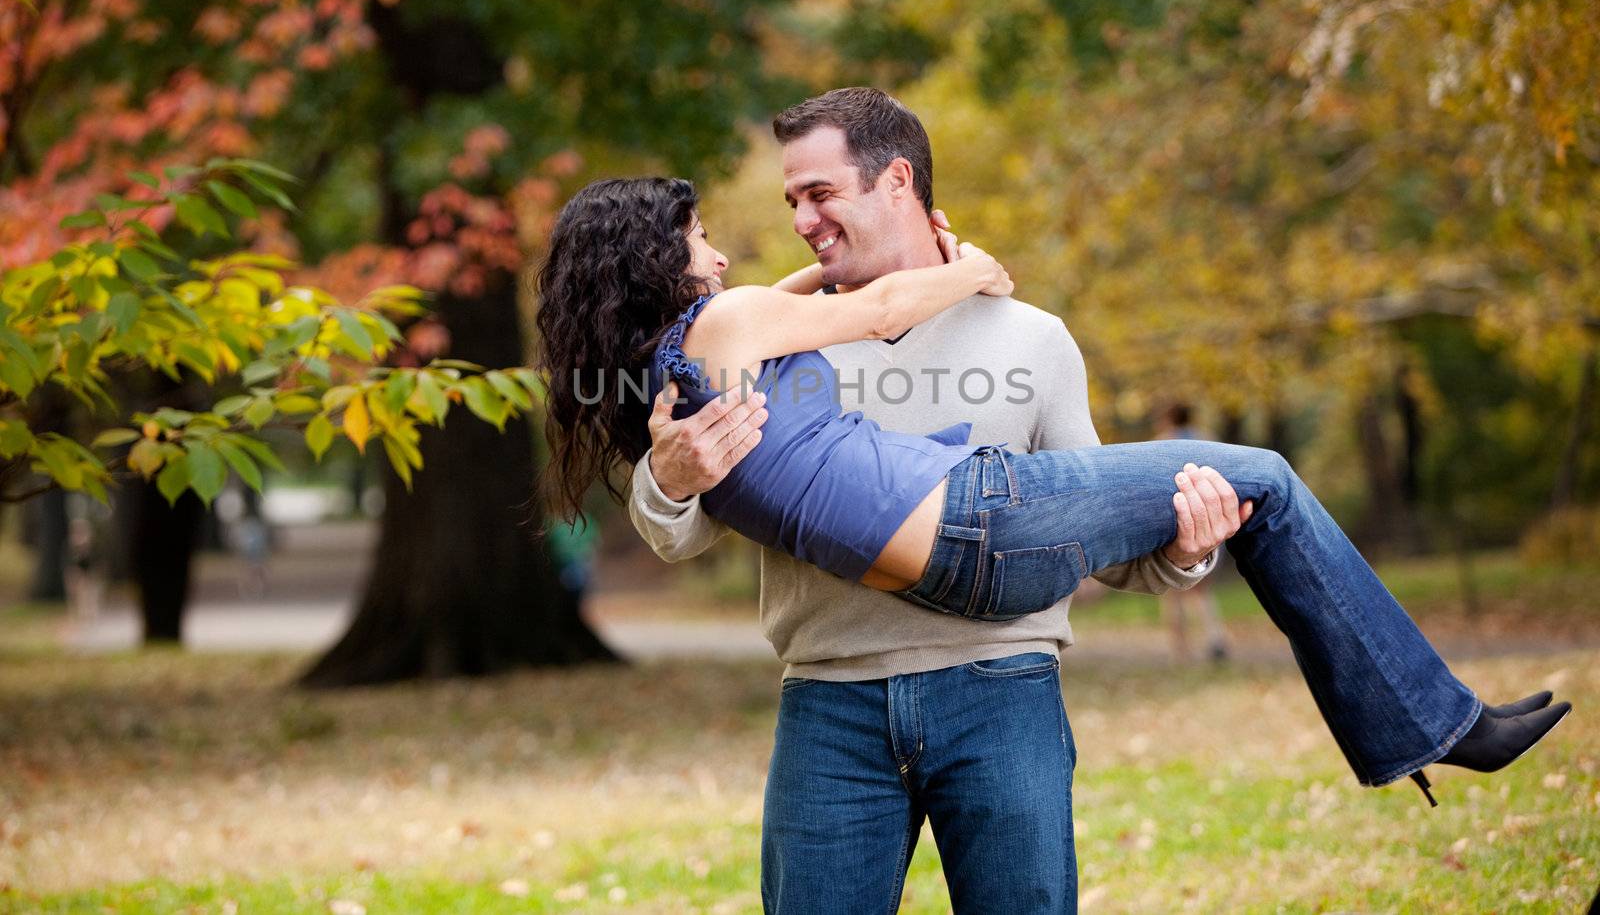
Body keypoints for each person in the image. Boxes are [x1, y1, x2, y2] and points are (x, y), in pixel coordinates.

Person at [535, 89, 1568, 913]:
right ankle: (1433, 722)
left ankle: (1434, 723)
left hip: (999, 676)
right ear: (662, 262)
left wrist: (1190, 548)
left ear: (894, 180)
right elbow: (681, 519)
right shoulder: (742, 348)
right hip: (843, 687)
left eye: (816, 194)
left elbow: (1117, 551)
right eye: (765, 211)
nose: (783, 228)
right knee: (1271, 471)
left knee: (1245, 486)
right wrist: (674, 480)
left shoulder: (1010, 340)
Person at [1153, 401, 1231, 663]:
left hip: (1175, 522)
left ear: (1169, 418)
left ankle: (1181, 650)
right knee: (1202, 590)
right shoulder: (1208, 440)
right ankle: (1214, 636)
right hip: (1208, 520)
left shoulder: (1162, 442)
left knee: (1172, 590)